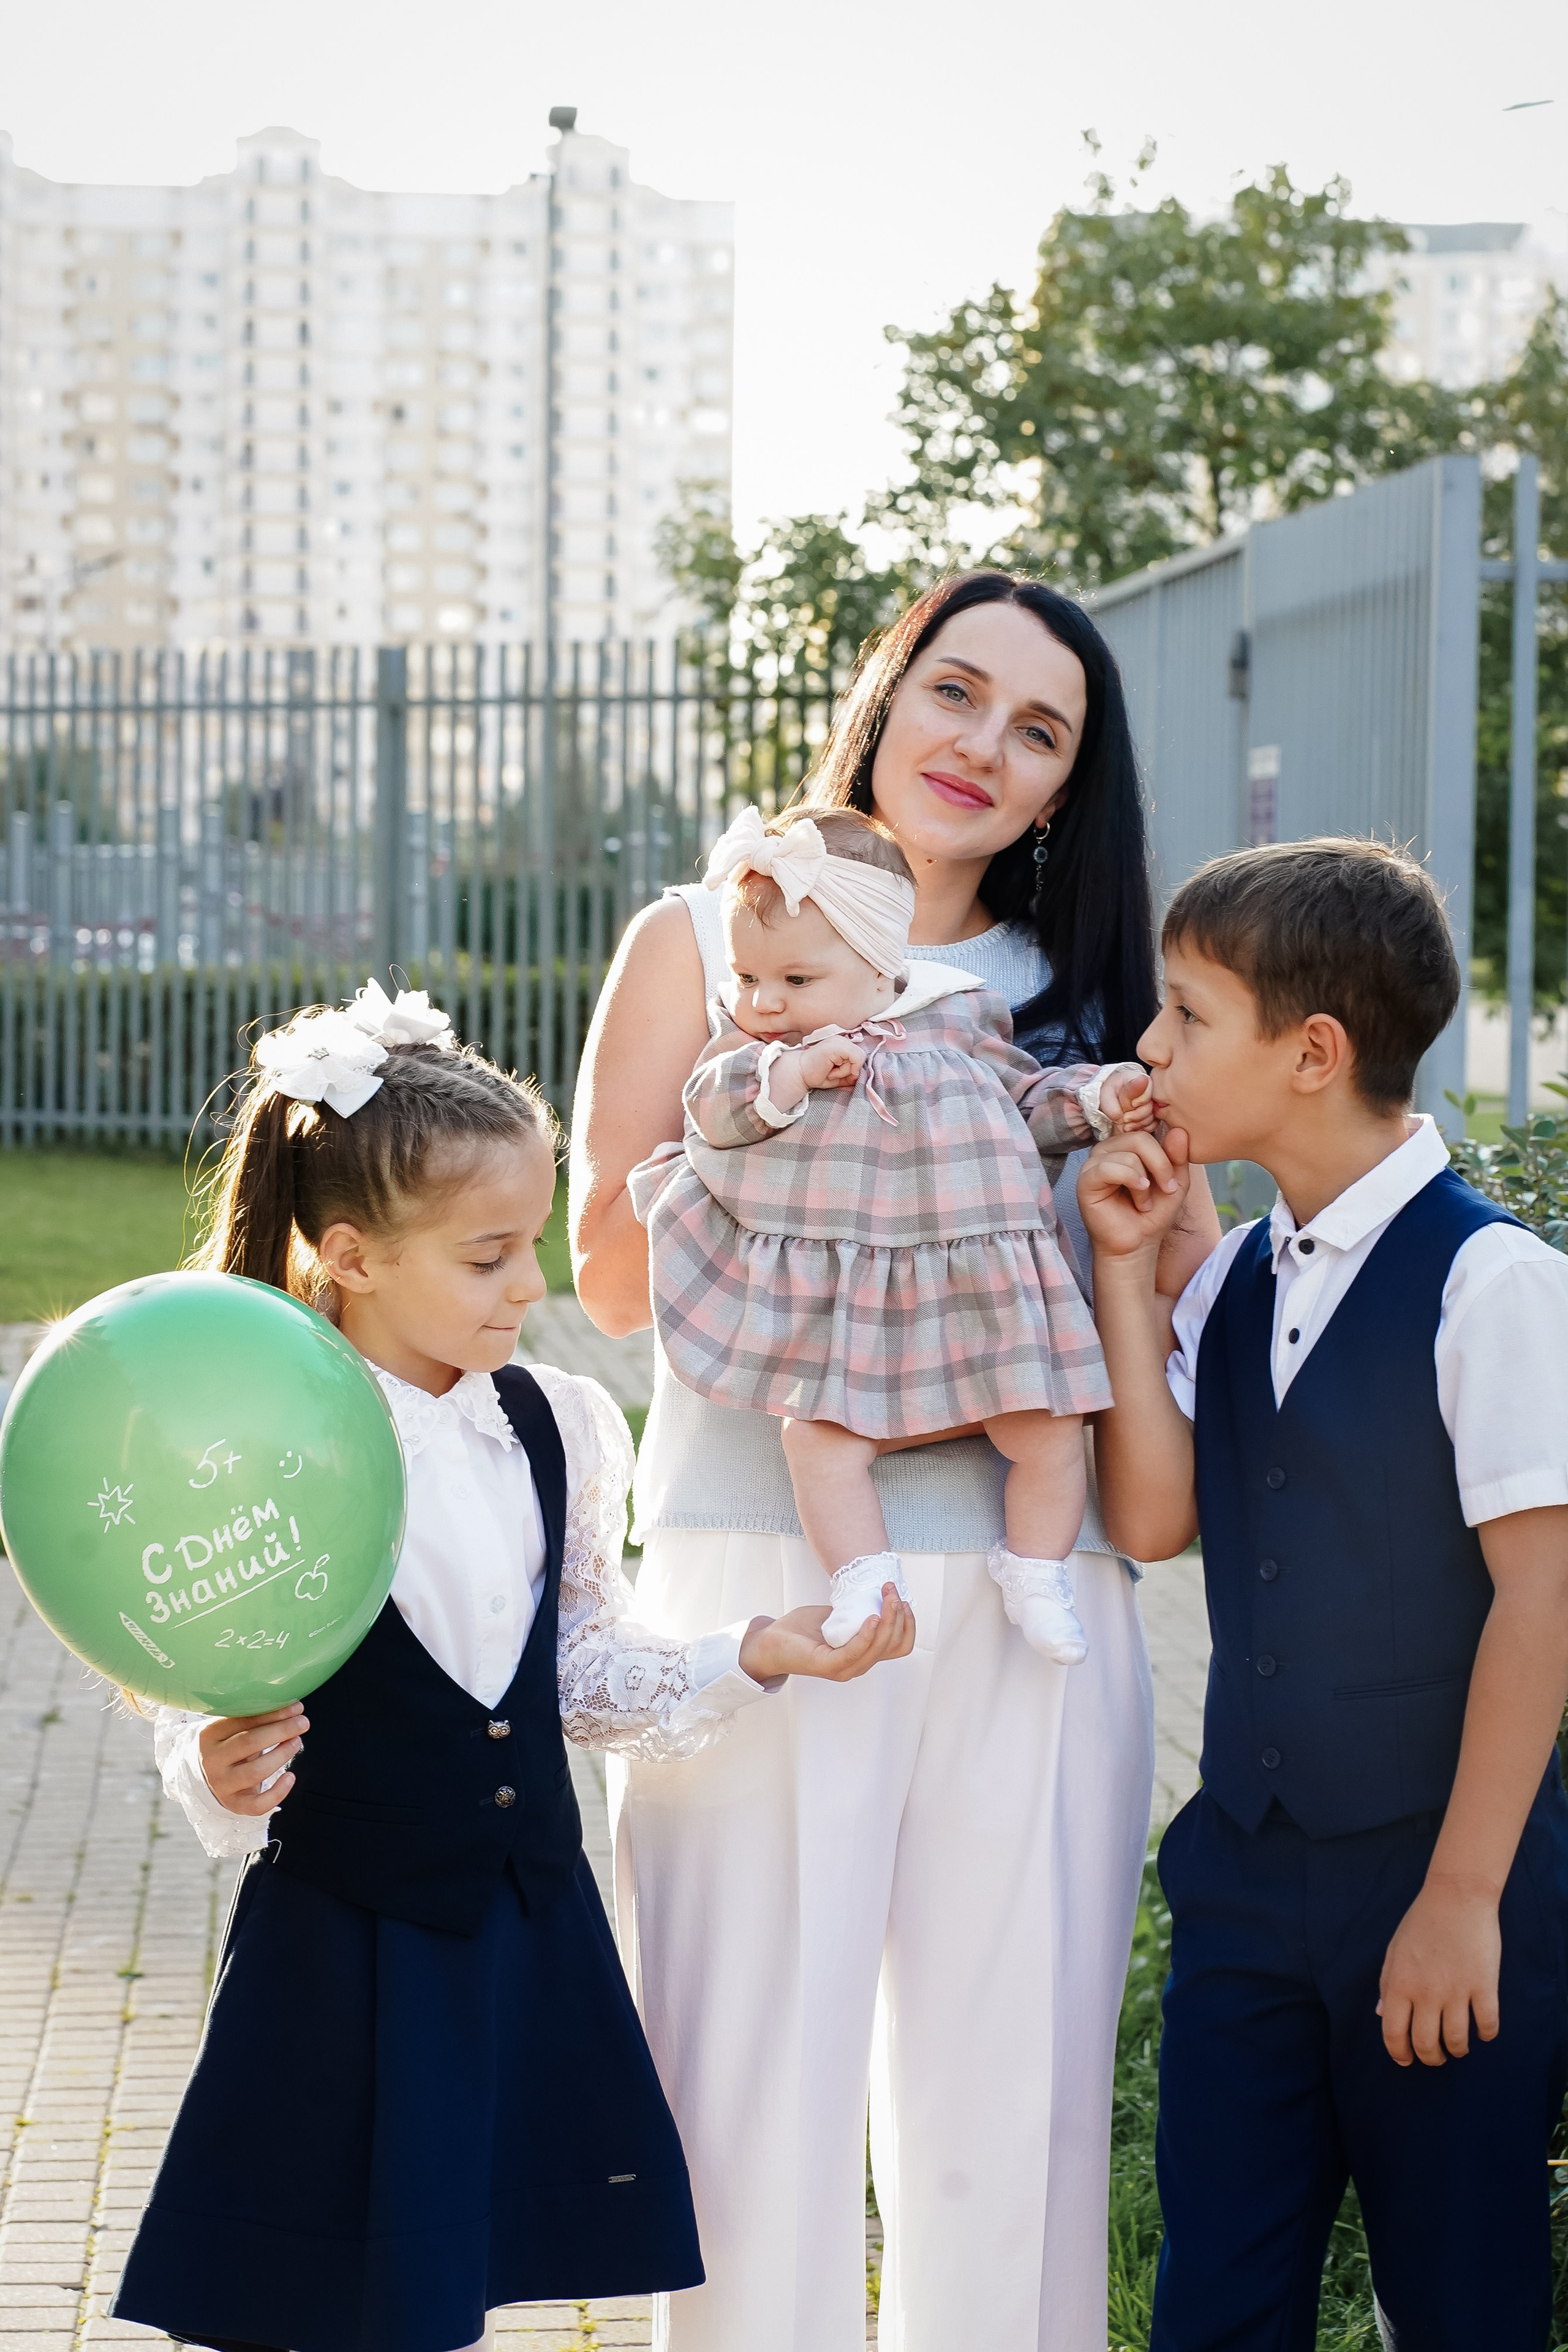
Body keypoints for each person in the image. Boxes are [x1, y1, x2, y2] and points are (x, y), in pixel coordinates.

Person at [571, 571, 1219, 2352]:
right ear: (886, 693)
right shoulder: (707, 936)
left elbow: (1160, 1308)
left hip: (1036, 1595)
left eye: (1039, 732)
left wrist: (1108, 1208)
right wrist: (780, 1089)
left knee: (1004, 2134)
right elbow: (609, 1279)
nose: (982, 748)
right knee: (742, 2114)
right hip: (763, 1568)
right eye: (957, 692)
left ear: (1065, 790)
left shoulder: (1090, 995)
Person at [111, 979, 913, 2352]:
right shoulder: (257, 1441)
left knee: (442, 2289)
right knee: (313, 2299)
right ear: (350, 1256)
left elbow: (571, 1671)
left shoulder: (552, 1427)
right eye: (488, 1257)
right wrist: (213, 1758)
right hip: (346, 1938)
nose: (531, 1288)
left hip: (513, 1926)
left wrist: (753, 1652)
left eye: (530, 1241)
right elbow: (200, 1659)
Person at [1080, 839, 1568, 2351]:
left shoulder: (1489, 1283)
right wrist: (1124, 1273)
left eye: (1182, 1015)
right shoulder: (1235, 1277)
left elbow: (1539, 1603)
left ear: (1310, 1054)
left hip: (1442, 1879)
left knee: (1459, 2298)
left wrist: (1460, 1899)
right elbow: (1154, 1518)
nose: (1148, 1049)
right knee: (1213, 2299)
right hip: (1244, 1872)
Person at [630, 799, 1153, 1661]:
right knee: (820, 1441)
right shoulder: (754, 1043)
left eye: (797, 981)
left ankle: (1035, 1569)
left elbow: (1022, 1104)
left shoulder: (962, 1014)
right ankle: (862, 1580)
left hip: (970, 1295)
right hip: (845, 1306)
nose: (766, 1001)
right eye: (749, 977)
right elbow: (710, 1110)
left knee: (1050, 1428)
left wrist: (1094, 1100)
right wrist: (792, 1070)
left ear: (880, 965)